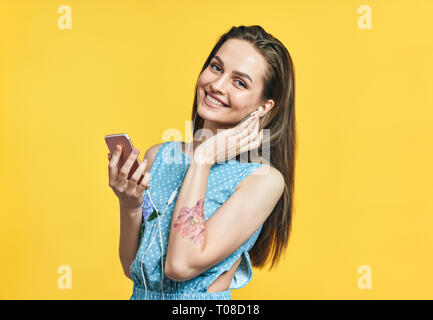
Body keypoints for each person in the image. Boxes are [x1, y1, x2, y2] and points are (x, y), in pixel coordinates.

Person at [107, 25, 296, 300]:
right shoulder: (158, 156)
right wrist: (130, 204)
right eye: (216, 67)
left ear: (264, 107)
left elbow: (179, 265)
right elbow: (133, 267)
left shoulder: (262, 180)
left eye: (240, 82)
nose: (217, 85)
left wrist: (203, 159)